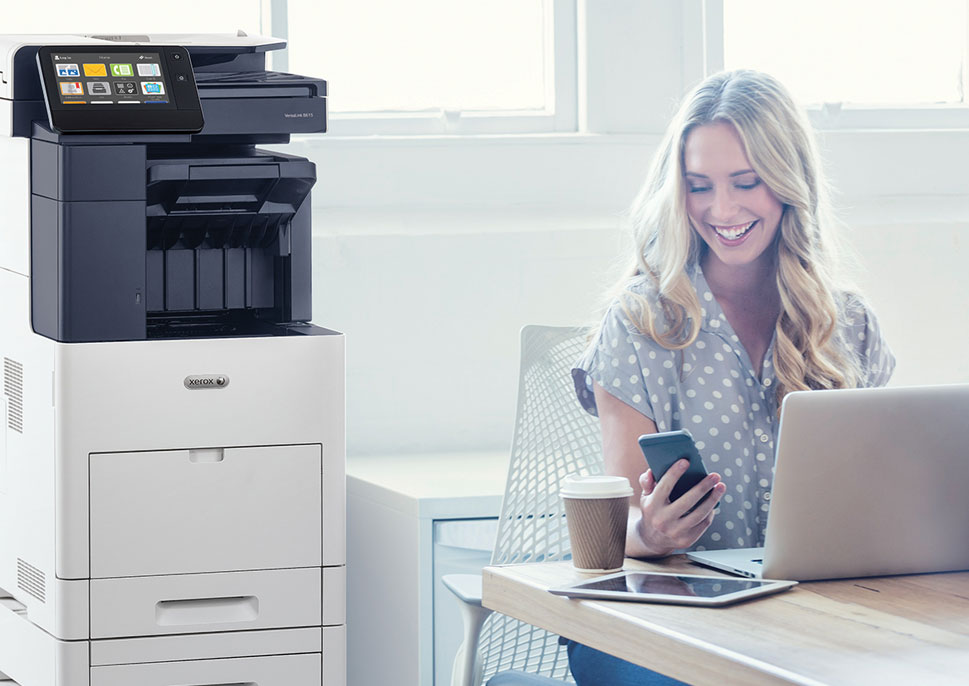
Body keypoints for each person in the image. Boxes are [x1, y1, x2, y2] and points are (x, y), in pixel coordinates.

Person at [567, 69, 895, 685]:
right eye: (698, 186)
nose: (722, 209)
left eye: (747, 182)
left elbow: (882, 508)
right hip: (657, 620)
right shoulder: (640, 324)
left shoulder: (847, 324)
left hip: (803, 617)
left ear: (788, 184)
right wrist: (653, 531)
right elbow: (618, 530)